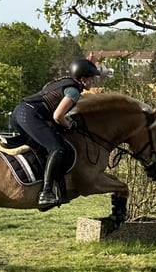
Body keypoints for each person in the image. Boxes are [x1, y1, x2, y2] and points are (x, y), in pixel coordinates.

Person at [11, 58, 101, 207]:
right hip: (29, 115)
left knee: (47, 146)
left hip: (18, 114)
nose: (93, 81)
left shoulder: (62, 82)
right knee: (58, 148)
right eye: (92, 78)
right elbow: (58, 116)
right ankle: (46, 193)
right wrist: (70, 125)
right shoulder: (73, 91)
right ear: (83, 79)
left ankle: (47, 187)